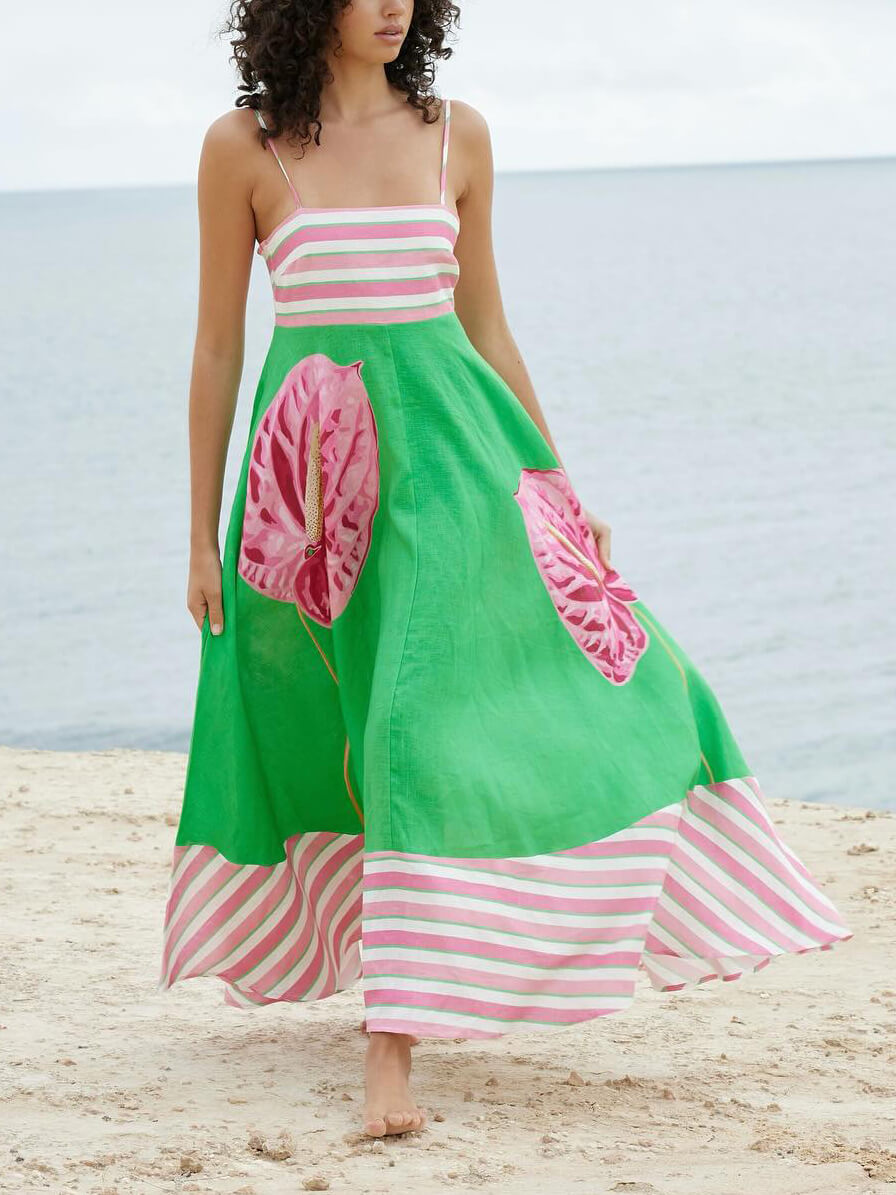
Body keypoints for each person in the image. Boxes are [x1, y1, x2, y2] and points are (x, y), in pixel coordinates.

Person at [157, 0, 853, 1141]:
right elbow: (218, 346)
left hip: (459, 474)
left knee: (446, 717)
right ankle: (398, 1004)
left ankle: (393, 1043)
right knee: (360, 726)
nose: (395, 4)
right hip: (318, 493)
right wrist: (197, 533)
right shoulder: (244, 146)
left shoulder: (457, 134)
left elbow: (484, 326)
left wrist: (559, 488)